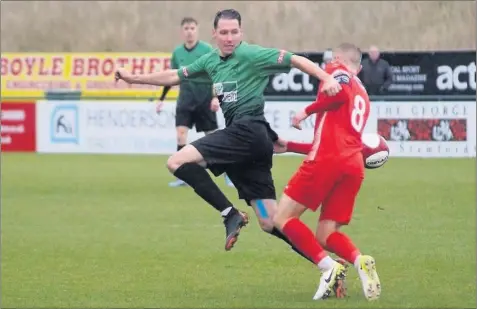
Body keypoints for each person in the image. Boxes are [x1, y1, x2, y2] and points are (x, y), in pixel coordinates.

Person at [115, 9, 342, 258]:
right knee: (270, 221)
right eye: (224, 32)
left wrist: (325, 78)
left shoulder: (251, 54)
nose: (229, 37)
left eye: (234, 32)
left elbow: (295, 59)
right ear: (214, 34)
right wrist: (133, 77)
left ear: (241, 32)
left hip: (247, 132)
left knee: (177, 161)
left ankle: (230, 213)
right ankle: (328, 265)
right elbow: (174, 76)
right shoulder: (210, 61)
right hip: (252, 144)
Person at [273, 43, 381, 301]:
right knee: (326, 234)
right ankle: (359, 259)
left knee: (282, 219)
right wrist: (289, 146)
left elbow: (338, 94)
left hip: (327, 162)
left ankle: (329, 267)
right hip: (353, 165)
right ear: (361, 67)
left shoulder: (335, 70)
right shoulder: (363, 94)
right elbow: (337, 139)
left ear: (337, 58)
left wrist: (306, 111)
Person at [156, 17, 234, 188]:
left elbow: (217, 74)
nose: (189, 31)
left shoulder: (207, 49)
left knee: (213, 137)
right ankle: (182, 176)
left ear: (197, 30)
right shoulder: (177, 53)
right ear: (182, 31)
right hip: (185, 98)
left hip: (204, 98)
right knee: (181, 134)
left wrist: (216, 97)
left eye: (192, 28)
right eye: (186, 28)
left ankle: (229, 173)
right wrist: (161, 99)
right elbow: (172, 77)